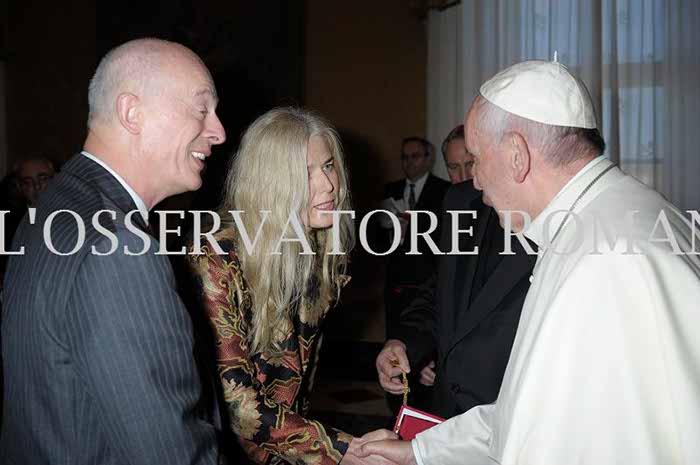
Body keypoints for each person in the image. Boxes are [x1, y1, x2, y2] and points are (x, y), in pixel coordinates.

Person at [360, 60, 700, 465]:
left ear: (517, 155)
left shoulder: (609, 261)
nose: (475, 180)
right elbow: (528, 409)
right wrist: (419, 451)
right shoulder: (595, 221)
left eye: (477, 158)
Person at [1, 38, 226, 464]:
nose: (218, 131)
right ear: (132, 113)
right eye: (202, 109)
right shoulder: (118, 246)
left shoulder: (56, 203)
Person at [188, 107, 396, 465]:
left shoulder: (317, 246)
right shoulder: (216, 256)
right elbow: (235, 402)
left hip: (285, 450)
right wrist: (341, 450)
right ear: (270, 183)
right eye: (305, 173)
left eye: (328, 166)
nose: (328, 184)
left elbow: (297, 381)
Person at [375, 124, 535, 418]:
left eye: (472, 163)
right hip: (448, 408)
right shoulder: (458, 201)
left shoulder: (548, 214)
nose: (468, 176)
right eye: (454, 167)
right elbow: (441, 293)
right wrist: (403, 343)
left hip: (508, 408)